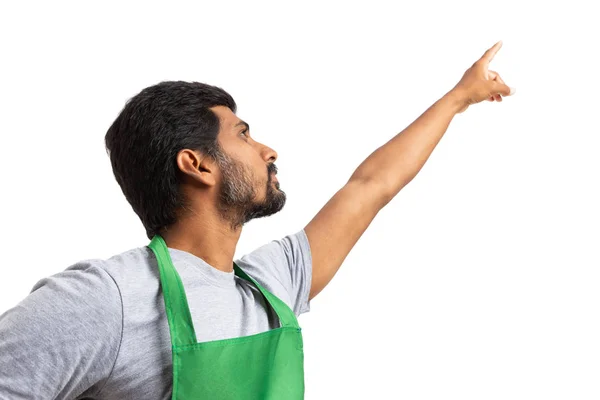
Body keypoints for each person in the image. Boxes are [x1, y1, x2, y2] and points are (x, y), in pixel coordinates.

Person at [0, 41, 514, 399]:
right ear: (196, 164)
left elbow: (371, 187)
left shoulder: (271, 287)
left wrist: (457, 99)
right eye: (243, 135)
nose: (268, 149)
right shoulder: (107, 298)